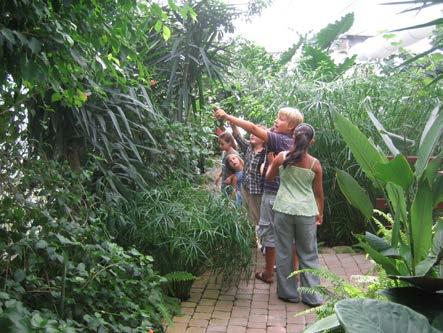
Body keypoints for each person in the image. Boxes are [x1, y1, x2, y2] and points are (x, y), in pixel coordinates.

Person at [214, 107, 303, 283]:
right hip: (289, 194)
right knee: (289, 234)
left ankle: (269, 273)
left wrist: (226, 115)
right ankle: (294, 274)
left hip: (271, 193)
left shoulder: (278, 140)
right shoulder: (294, 142)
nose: (276, 121)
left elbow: (253, 128)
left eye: (280, 118)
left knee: (269, 232)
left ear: (291, 125)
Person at [266, 123, 324, 306]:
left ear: (293, 137)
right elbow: (319, 193)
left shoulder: (282, 157)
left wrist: (271, 162)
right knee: (308, 253)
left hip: (283, 210)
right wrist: (320, 213)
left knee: (283, 251)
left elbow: (269, 177)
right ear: (311, 141)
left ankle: (288, 293)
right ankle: (312, 297)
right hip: (306, 212)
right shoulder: (315, 164)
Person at [231, 124, 266, 227]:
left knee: (259, 217)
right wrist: (232, 124)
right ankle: (252, 237)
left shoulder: (266, 152)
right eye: (252, 133)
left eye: (256, 134)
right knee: (248, 215)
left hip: (258, 192)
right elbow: (238, 137)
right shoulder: (248, 147)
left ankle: (261, 240)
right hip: (245, 188)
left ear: (264, 139)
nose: (252, 135)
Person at [215, 132, 239, 196]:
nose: (220, 146)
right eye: (219, 144)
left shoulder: (234, 154)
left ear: (229, 143)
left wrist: (230, 177)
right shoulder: (224, 153)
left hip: (232, 184)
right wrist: (219, 176)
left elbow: (239, 171)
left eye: (222, 144)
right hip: (224, 181)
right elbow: (224, 167)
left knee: (230, 201)